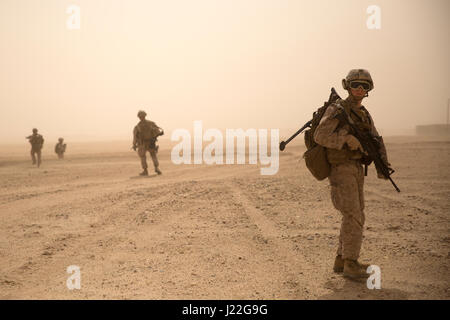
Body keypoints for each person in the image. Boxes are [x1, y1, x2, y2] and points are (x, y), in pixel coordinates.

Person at [314, 69, 391, 279]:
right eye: (355, 84)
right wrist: (346, 138)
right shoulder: (337, 109)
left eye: (364, 86)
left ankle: (341, 259)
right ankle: (351, 263)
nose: (359, 89)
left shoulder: (363, 114)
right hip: (341, 169)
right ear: (347, 86)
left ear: (368, 90)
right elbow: (320, 135)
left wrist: (383, 165)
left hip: (356, 168)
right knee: (353, 214)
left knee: (356, 213)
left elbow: (375, 139)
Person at [132, 110, 164, 176]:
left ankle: (145, 171)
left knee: (143, 157)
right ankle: (156, 168)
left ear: (138, 117)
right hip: (150, 143)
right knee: (153, 155)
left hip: (143, 144)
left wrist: (134, 145)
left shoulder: (137, 126)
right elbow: (158, 132)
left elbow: (135, 137)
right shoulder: (151, 123)